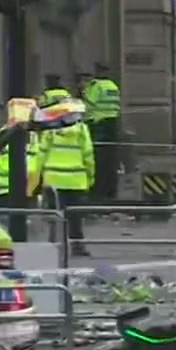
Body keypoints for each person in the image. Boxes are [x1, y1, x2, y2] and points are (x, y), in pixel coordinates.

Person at [35, 99, 95, 256]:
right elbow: (88, 156)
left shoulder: (50, 130)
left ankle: (53, 246)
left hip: (53, 178)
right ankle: (77, 246)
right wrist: (90, 176)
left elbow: (41, 154)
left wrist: (36, 176)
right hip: (76, 179)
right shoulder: (82, 129)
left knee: (55, 216)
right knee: (75, 217)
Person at [82, 63, 121, 201]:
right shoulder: (113, 86)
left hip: (98, 124)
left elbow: (89, 105)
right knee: (110, 159)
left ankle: (97, 192)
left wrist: (83, 94)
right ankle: (110, 191)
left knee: (97, 159)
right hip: (112, 124)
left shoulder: (96, 86)